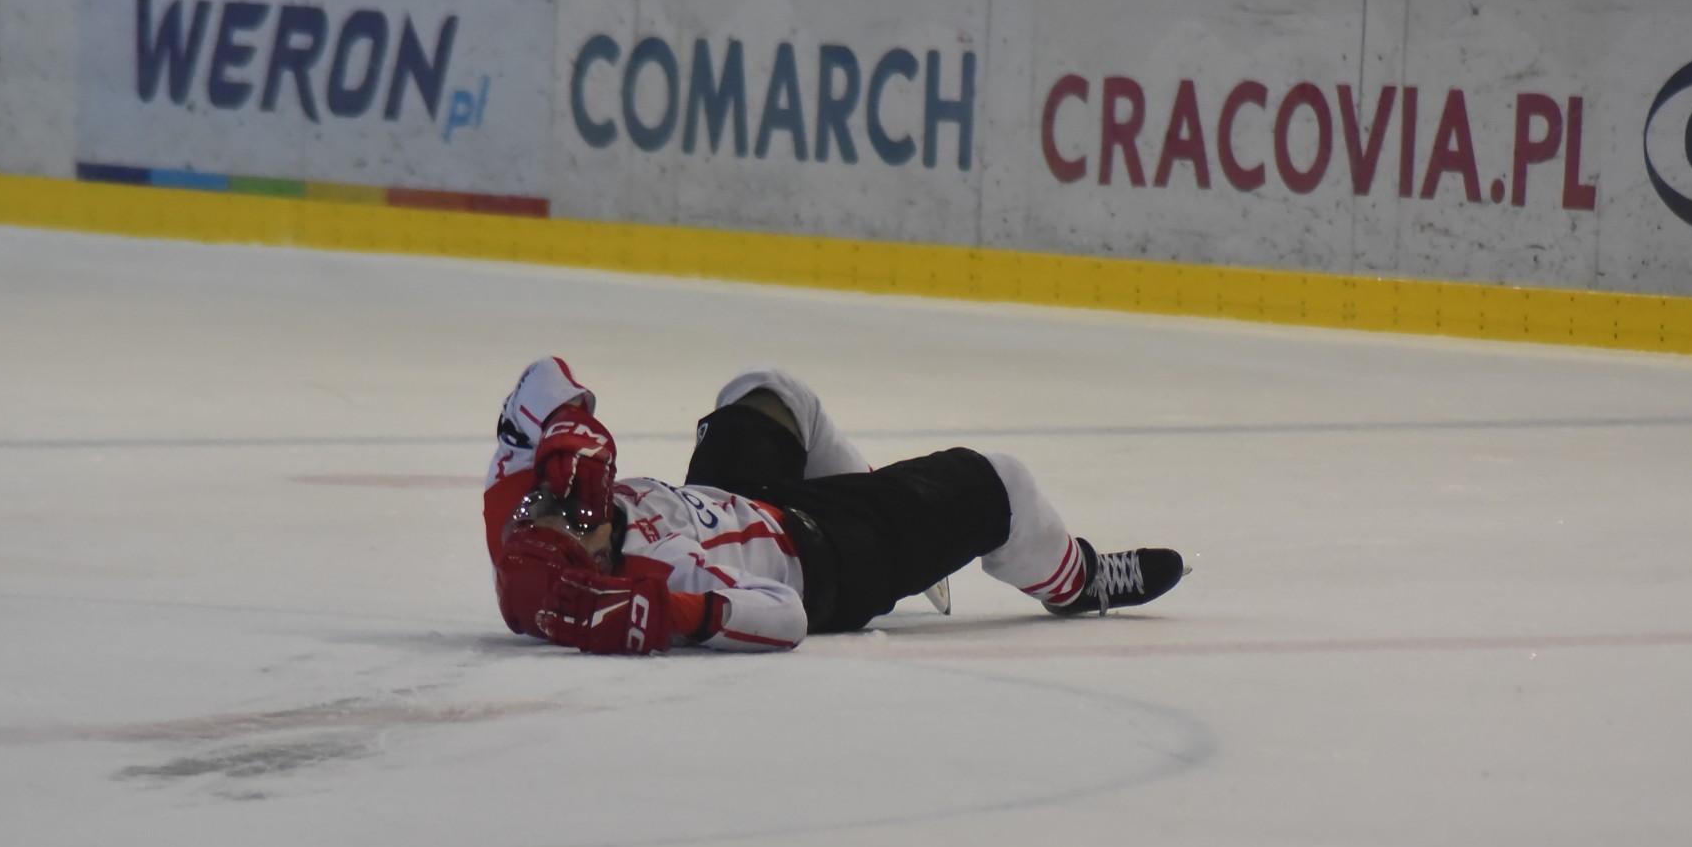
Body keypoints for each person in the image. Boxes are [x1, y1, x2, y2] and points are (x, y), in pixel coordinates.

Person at [483, 357, 1187, 655]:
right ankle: (1075, 579)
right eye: (575, 520)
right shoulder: (666, 572)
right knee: (1001, 482)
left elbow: (538, 381)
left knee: (766, 392)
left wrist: (566, 425)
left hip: (736, 501)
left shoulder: (524, 523)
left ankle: (886, 500)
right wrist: (675, 616)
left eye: (548, 503)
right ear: (598, 570)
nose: (571, 501)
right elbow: (784, 616)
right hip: (828, 556)